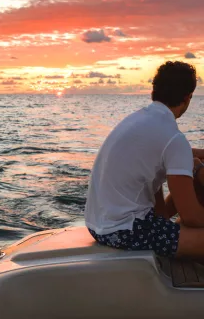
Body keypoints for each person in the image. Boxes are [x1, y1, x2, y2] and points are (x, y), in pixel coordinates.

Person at [85, 61, 204, 258]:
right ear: (187, 97)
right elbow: (191, 216)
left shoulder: (138, 120)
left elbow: (175, 153)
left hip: (98, 224)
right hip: (125, 231)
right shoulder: (173, 138)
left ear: (154, 91)